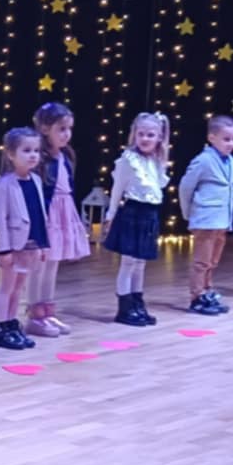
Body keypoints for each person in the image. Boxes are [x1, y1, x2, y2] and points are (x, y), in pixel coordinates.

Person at [102, 111, 170, 327]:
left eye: (150, 135)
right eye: (141, 134)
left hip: (149, 214)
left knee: (140, 263)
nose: (145, 139)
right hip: (133, 212)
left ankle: (137, 303)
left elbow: (157, 187)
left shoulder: (157, 161)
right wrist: (110, 215)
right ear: (134, 134)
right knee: (128, 262)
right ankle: (124, 308)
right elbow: (117, 190)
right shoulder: (128, 160)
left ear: (159, 137)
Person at [28, 102, 88, 336]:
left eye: (69, 129)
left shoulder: (66, 155)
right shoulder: (39, 158)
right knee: (39, 266)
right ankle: (35, 315)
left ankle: (48, 312)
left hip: (63, 210)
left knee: (52, 265)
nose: (66, 134)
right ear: (45, 129)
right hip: (47, 214)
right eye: (61, 129)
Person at [0, 126, 49, 350]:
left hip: (30, 245)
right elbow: (0, 220)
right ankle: (1, 327)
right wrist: (3, 250)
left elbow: (39, 215)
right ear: (11, 154)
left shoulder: (37, 181)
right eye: (26, 150)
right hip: (13, 246)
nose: (33, 155)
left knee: (19, 288)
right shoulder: (2, 185)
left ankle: (12, 324)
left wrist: (43, 244)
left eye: (36, 151)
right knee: (7, 287)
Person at [178, 114, 233, 315]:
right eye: (226, 139)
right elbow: (186, 187)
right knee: (201, 261)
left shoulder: (231, 162)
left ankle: (207, 291)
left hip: (222, 220)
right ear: (212, 138)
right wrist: (188, 212)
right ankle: (196, 296)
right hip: (205, 219)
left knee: (212, 261)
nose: (231, 143)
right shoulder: (203, 161)